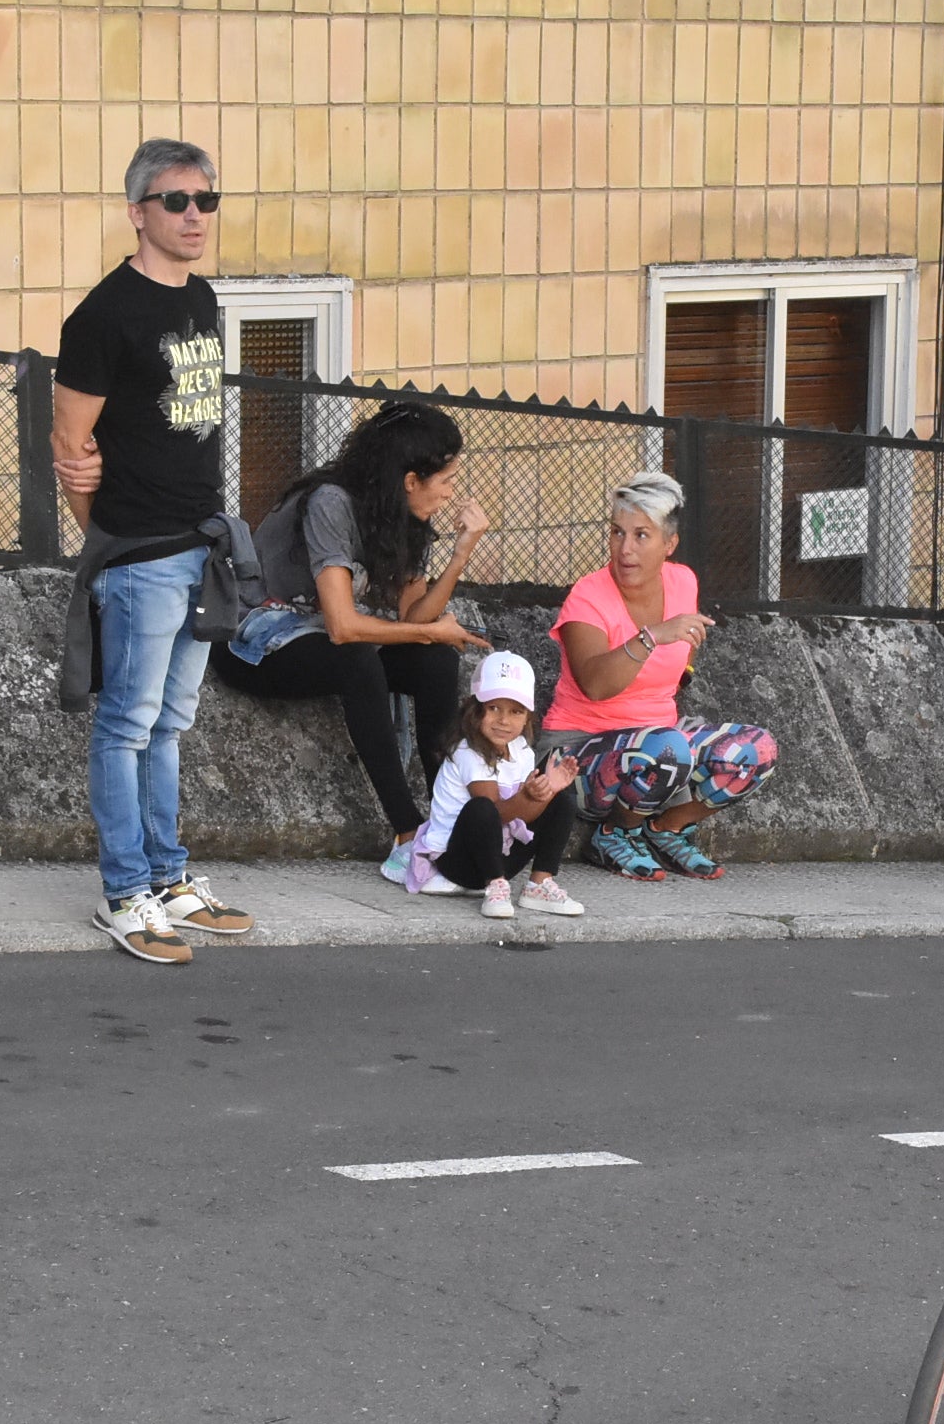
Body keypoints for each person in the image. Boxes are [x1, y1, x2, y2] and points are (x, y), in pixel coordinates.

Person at [51, 138, 255, 966]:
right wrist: (112, 537)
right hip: (142, 555)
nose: (195, 215)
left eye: (206, 200)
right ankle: (125, 893)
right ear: (137, 211)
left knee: (171, 723)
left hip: (200, 546)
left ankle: (169, 879)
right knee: (127, 727)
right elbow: (71, 445)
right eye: (176, 201)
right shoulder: (102, 318)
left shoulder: (201, 297)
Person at [215, 399, 493, 876]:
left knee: (437, 662)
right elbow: (344, 625)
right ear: (410, 481)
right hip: (256, 638)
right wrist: (428, 630)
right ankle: (407, 831)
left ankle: (449, 821)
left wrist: (461, 553)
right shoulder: (331, 502)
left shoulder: (403, 516)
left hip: (320, 637)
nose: (451, 493)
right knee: (360, 656)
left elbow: (414, 613)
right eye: (445, 481)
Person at [545, 470, 779, 879]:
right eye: (617, 533)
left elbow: (678, 670)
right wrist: (651, 637)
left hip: (661, 751)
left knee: (756, 749)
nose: (625, 549)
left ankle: (666, 828)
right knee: (668, 746)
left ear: (669, 544)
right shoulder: (588, 594)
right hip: (576, 758)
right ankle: (614, 833)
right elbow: (596, 685)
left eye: (641, 535)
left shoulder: (683, 581)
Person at [400, 650, 586, 919]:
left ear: (526, 718)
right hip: (459, 862)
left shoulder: (521, 749)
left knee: (562, 801)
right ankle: (495, 886)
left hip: (501, 853)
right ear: (474, 709)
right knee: (481, 808)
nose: (504, 720)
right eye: (493, 708)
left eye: (515, 711)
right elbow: (497, 814)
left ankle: (539, 884)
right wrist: (532, 795)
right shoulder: (467, 752)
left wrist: (546, 793)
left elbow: (523, 815)